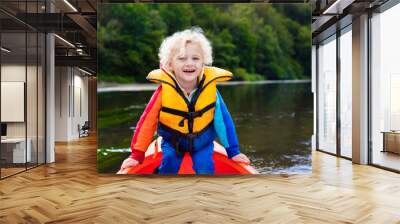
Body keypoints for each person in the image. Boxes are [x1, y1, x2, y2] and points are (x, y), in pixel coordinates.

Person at [119, 27, 250, 174]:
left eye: (195, 58)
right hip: (173, 142)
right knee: (169, 163)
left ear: (203, 63)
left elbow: (224, 122)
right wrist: (137, 154)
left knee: (205, 167)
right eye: (181, 58)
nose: (189, 63)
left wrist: (233, 151)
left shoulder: (211, 91)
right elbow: (146, 123)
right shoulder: (163, 92)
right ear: (170, 64)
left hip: (203, 143)